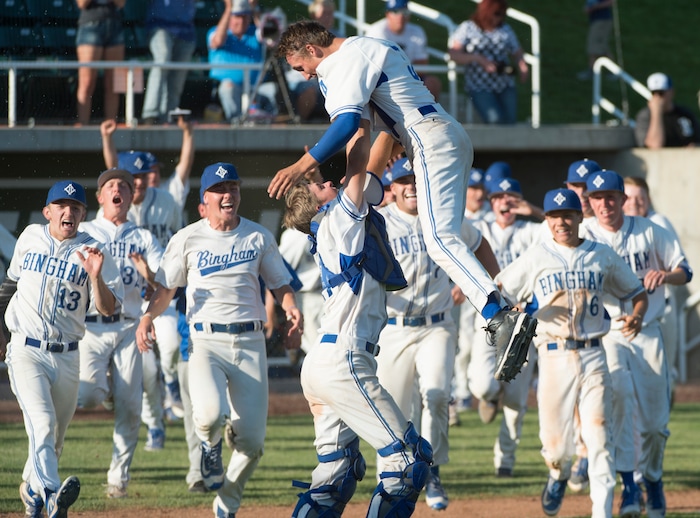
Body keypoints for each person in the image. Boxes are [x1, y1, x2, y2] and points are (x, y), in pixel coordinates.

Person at [268, 21, 536, 379]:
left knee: (439, 241)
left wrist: (304, 164)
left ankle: (499, 316)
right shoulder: (366, 47)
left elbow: (348, 126)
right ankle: (502, 310)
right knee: (448, 234)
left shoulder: (340, 62)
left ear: (312, 50)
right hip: (442, 133)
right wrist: (362, 182)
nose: (303, 77)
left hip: (426, 140)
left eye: (300, 67)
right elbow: (364, 137)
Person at [135, 162, 302, 517]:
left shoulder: (258, 236)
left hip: (250, 342)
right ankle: (210, 448)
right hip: (206, 341)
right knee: (208, 415)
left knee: (253, 443)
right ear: (203, 204)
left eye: (234, 188)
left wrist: (291, 308)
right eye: (220, 189)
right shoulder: (187, 237)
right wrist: (148, 316)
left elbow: (280, 283)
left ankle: (226, 500)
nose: (229, 194)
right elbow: (166, 290)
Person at [282, 129, 434, 516]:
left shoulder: (330, 227)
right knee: (408, 462)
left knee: (336, 473)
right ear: (318, 207)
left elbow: (365, 170)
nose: (329, 183)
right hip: (344, 360)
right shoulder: (336, 222)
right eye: (320, 187)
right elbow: (361, 163)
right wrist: (368, 119)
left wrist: (381, 134)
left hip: (325, 361)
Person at [497, 188, 648, 518]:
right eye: (554, 216)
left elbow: (637, 292)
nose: (561, 222)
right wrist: (513, 315)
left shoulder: (601, 255)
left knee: (599, 436)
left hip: (595, 356)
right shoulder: (537, 256)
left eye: (567, 215)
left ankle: (602, 512)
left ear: (580, 218)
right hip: (554, 357)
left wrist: (636, 315)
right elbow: (499, 290)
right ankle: (558, 473)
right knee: (557, 448)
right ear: (547, 221)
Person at [375, 157, 498, 511]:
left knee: (437, 394)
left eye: (415, 179)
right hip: (394, 329)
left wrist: (489, 287)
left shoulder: (443, 216)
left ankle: (433, 470)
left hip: (437, 325)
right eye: (403, 180)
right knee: (395, 407)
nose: (411, 185)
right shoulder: (379, 222)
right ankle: (394, 477)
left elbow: (481, 246)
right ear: (392, 188)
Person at [1, 180, 123, 518]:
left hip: (69, 355)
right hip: (26, 348)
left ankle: (31, 492)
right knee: (41, 422)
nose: (68, 211)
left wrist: (96, 276)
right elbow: (10, 284)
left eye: (76, 207)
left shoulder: (94, 250)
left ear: (84, 214)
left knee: (53, 440)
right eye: (61, 206)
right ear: (48, 212)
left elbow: (109, 308)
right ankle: (53, 496)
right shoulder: (29, 237)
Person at [582, 170, 692, 518]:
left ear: (622, 200)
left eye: (611, 196)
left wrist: (666, 275)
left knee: (656, 425)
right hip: (609, 332)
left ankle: (654, 482)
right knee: (621, 408)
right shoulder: (584, 234)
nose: (604, 203)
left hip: (648, 331)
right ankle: (629, 487)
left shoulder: (649, 230)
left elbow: (684, 270)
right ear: (590, 200)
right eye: (597, 197)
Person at [77, 168, 164, 498]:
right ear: (100, 197)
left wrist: (148, 273)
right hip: (90, 328)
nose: (118, 190)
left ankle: (118, 479)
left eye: (124, 187)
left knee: (130, 408)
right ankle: (108, 388)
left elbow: (163, 285)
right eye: (110, 186)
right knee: (88, 397)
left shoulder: (142, 237)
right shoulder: (84, 232)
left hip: (129, 326)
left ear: (131, 197)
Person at [469, 177, 542, 478]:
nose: (505, 202)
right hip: (488, 317)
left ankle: (506, 460)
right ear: (491, 201)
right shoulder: (480, 226)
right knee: (483, 385)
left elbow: (568, 228)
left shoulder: (533, 231)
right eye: (499, 197)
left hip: (523, 321)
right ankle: (489, 396)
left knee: (515, 399)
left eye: (511, 197)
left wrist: (533, 210)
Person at [116, 150, 184, 451]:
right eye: (133, 177)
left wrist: (153, 276)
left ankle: (172, 388)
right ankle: (155, 425)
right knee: (145, 371)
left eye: (143, 176)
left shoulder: (166, 202)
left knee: (169, 348)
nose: (139, 182)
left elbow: (178, 246)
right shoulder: (113, 213)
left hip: (161, 294)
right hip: (131, 303)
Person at [622, 176, 684, 393]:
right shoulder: (616, 227)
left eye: (640, 198)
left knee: (659, 373)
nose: (634, 203)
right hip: (626, 312)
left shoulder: (658, 223)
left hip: (660, 307)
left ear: (648, 199)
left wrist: (663, 275)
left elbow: (680, 266)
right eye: (629, 197)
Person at [448, 0, 529, 124]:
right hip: (480, 86)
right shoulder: (468, 28)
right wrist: (478, 59)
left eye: (503, 14)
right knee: (494, 120)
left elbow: (517, 52)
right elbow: (454, 54)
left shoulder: (505, 29)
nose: (500, 18)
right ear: (487, 12)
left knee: (510, 122)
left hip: (504, 83)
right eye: (497, 13)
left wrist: (522, 65)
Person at [208, 0, 277, 122]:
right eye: (237, 16)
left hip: (255, 89)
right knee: (228, 87)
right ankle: (236, 122)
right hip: (228, 89)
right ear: (229, 17)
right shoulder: (215, 31)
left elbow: (270, 38)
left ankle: (262, 123)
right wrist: (229, 8)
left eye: (245, 17)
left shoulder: (255, 33)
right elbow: (217, 41)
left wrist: (253, 9)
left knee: (272, 90)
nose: (241, 21)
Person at [365, 0, 442, 102]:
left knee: (432, 83)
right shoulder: (376, 31)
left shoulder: (417, 31)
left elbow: (422, 65)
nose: (400, 16)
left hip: (409, 77)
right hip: (383, 79)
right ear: (387, 14)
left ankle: (430, 116)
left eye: (404, 12)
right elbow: (378, 66)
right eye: (395, 12)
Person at [141, 0, 197, 125]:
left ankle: (169, 115)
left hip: (186, 30)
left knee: (178, 75)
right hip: (160, 25)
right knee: (162, 59)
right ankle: (150, 113)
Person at [75, 0, 126, 125]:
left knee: (113, 84)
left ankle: (110, 129)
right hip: (90, 25)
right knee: (87, 83)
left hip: (114, 26)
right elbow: (82, 3)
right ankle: (83, 126)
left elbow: (121, 3)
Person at [634, 72, 700, 149]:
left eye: (661, 93)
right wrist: (656, 112)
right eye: (653, 93)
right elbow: (654, 145)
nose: (657, 97)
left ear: (671, 92)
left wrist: (694, 146)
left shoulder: (684, 114)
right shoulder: (645, 116)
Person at [576, 0, 614, 81]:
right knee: (601, 47)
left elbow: (610, 2)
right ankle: (613, 71)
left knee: (595, 46)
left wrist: (593, 7)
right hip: (597, 20)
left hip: (602, 20)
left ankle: (592, 71)